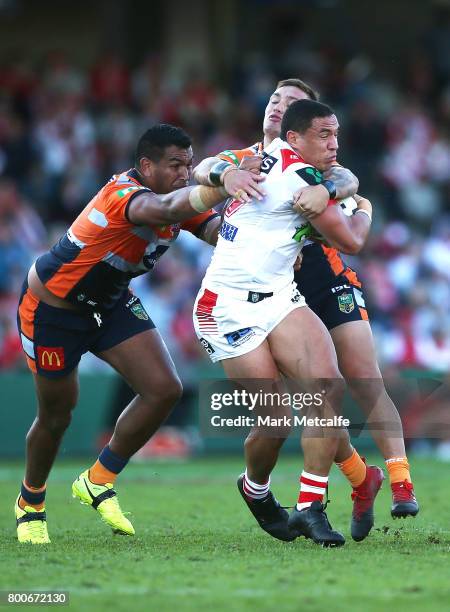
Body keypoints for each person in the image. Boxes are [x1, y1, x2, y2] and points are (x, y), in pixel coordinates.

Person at [194, 79, 419, 528]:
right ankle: (262, 488)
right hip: (229, 306)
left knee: (336, 385)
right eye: (276, 101)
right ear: (289, 132)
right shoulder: (253, 162)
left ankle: (321, 504)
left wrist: (336, 190)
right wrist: (360, 203)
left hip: (292, 288)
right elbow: (201, 169)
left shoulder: (312, 170)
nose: (280, 107)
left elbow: (342, 181)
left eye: (335, 134)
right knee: (276, 420)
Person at [14, 123, 253, 545]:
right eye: (175, 164)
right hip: (53, 309)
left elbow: (215, 230)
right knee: (57, 414)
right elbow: (161, 211)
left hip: (109, 303)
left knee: (163, 388)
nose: (185, 172)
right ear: (146, 165)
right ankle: (30, 503)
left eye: (190, 164)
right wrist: (223, 181)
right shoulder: (124, 195)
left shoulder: (177, 198)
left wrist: (259, 232)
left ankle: (97, 479)